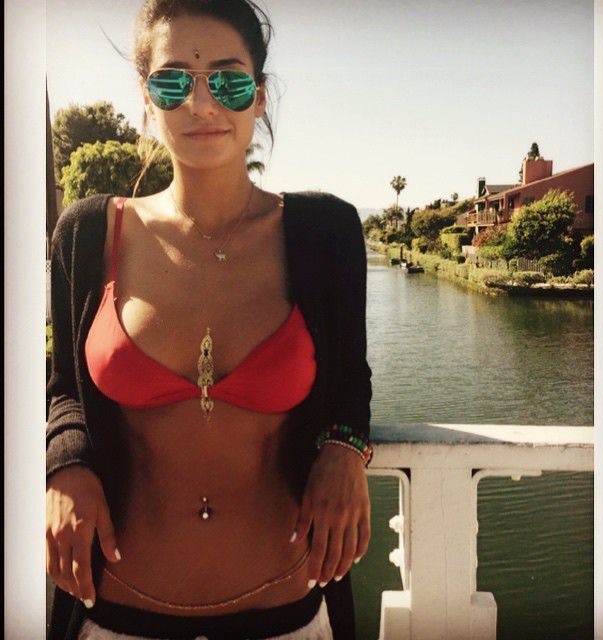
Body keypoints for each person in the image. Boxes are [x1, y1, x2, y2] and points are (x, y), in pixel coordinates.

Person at [46, 1, 373, 639]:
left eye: (228, 80)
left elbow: (350, 379)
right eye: (174, 82)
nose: (201, 104)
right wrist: (66, 461)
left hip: (286, 615)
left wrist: (343, 448)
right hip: (117, 616)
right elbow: (64, 389)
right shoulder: (88, 235)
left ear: (260, 95)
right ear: (147, 98)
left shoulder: (326, 234)